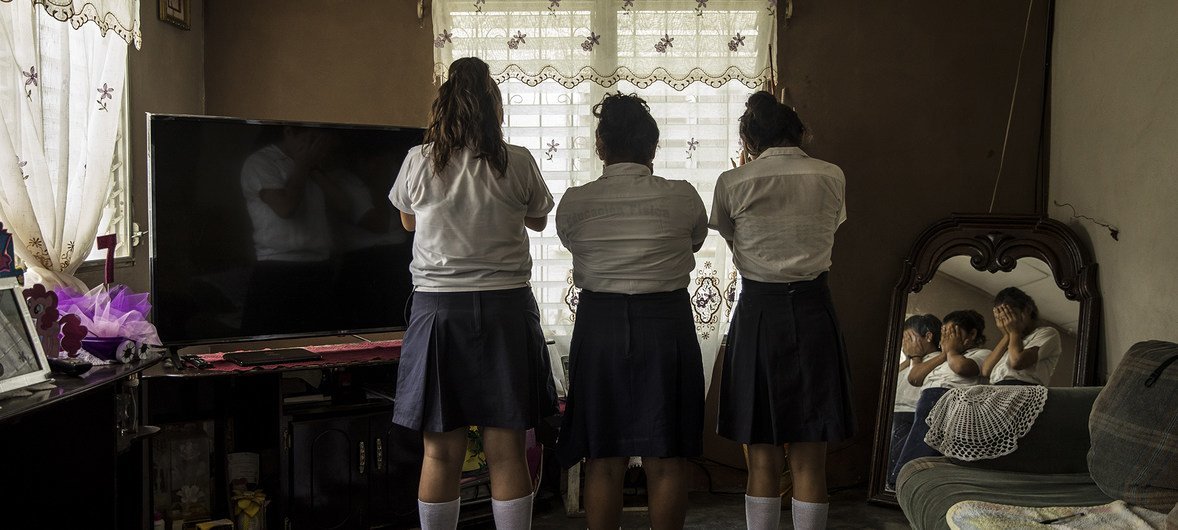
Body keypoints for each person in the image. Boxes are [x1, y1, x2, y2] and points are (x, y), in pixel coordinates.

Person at [388, 57, 557, 530]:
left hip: (439, 311)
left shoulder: (419, 160)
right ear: (493, 106)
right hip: (505, 308)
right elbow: (539, 218)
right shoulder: (517, 160)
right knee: (507, 451)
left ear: (442, 105)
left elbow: (407, 219)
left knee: (440, 452)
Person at [554, 93, 708, 530]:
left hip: (599, 327)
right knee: (666, 457)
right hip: (666, 326)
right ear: (652, 147)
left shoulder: (575, 202)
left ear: (601, 145)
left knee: (603, 457)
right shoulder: (683, 198)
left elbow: (572, 243)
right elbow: (694, 242)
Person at [711, 91, 854, 530]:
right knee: (811, 459)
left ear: (749, 139)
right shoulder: (831, 175)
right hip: (814, 310)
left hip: (758, 314)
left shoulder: (733, 182)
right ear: (798, 132)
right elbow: (831, 228)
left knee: (761, 459)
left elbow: (730, 236)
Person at [239, 125, 336, 335]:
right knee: (268, 347)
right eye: (311, 139)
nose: (316, 146)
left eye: (320, 141)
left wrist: (315, 168)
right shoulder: (261, 162)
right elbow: (285, 208)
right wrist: (302, 165)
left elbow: (344, 207)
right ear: (289, 132)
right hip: (277, 268)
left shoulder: (316, 166)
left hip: (320, 267)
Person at [888, 309, 991, 489]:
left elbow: (962, 368)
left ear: (972, 334)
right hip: (927, 401)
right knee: (916, 445)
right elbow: (915, 378)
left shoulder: (980, 354)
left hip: (950, 401)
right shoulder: (941, 360)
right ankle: (900, 481)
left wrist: (950, 351)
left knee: (924, 450)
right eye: (944, 334)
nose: (945, 339)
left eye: (951, 334)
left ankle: (905, 482)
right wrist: (945, 353)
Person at [888, 314, 941, 490]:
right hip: (894, 415)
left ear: (928, 336)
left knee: (900, 467)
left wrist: (915, 357)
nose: (905, 343)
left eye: (908, 338)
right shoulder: (910, 362)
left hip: (912, 417)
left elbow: (916, 378)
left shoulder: (939, 360)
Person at [982, 287, 1063, 386]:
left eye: (1011, 316)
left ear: (1027, 310)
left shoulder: (1047, 333)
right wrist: (1007, 336)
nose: (1008, 322)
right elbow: (986, 371)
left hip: (1023, 388)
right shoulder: (1011, 339)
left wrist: (1014, 333)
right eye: (1003, 319)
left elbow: (1017, 362)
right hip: (997, 388)